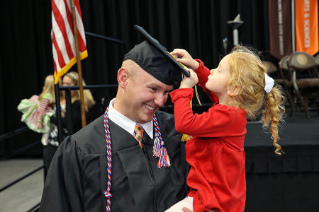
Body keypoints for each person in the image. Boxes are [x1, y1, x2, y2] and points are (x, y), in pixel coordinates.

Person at [39, 41, 189, 212]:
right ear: (123, 78)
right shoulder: (80, 149)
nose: (161, 101)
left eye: (166, 92)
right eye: (153, 89)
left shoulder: (177, 130)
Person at [166, 46, 286, 212]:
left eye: (219, 70)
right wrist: (195, 65)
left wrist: (185, 89)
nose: (213, 70)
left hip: (211, 201)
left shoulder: (228, 116)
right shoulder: (232, 110)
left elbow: (184, 124)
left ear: (233, 89)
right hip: (213, 197)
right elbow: (212, 84)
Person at [42, 71, 95, 178]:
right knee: (51, 176)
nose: (64, 87)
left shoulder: (79, 103)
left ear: (76, 86)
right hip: (52, 143)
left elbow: (68, 122)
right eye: (63, 83)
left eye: (68, 84)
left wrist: (49, 117)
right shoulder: (58, 100)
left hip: (69, 146)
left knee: (67, 178)